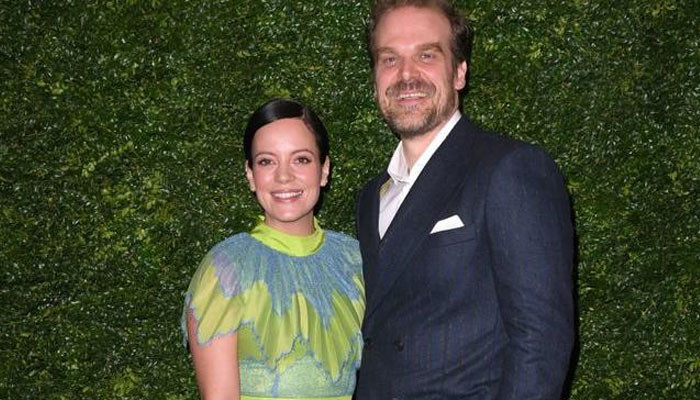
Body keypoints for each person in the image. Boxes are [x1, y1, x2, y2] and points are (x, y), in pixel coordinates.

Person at [354, 1, 575, 399]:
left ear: (459, 72)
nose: (406, 75)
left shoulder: (509, 169)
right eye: (389, 59)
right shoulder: (371, 198)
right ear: (375, 79)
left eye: (426, 55)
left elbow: (541, 342)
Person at [182, 99, 365, 400]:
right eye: (267, 161)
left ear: (324, 169)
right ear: (250, 175)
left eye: (301, 159)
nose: (284, 176)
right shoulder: (226, 269)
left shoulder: (356, 260)